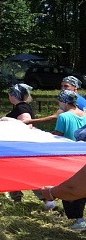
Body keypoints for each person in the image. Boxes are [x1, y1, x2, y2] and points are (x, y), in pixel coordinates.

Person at [51, 89, 86, 230]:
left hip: (67, 155)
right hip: (82, 155)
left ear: (63, 101)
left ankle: (79, 219)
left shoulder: (63, 117)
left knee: (70, 187)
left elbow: (58, 135)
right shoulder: (85, 115)